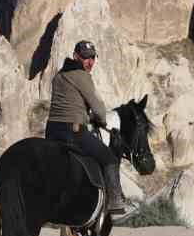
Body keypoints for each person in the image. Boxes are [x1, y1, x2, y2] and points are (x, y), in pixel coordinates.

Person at [44, 40, 131, 218]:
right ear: (76, 56)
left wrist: (87, 116)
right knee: (108, 157)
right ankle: (115, 202)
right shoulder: (82, 75)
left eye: (92, 58)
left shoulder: (59, 76)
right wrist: (100, 119)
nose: (90, 62)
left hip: (52, 131)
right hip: (73, 132)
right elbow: (98, 108)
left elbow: (69, 104)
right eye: (85, 58)